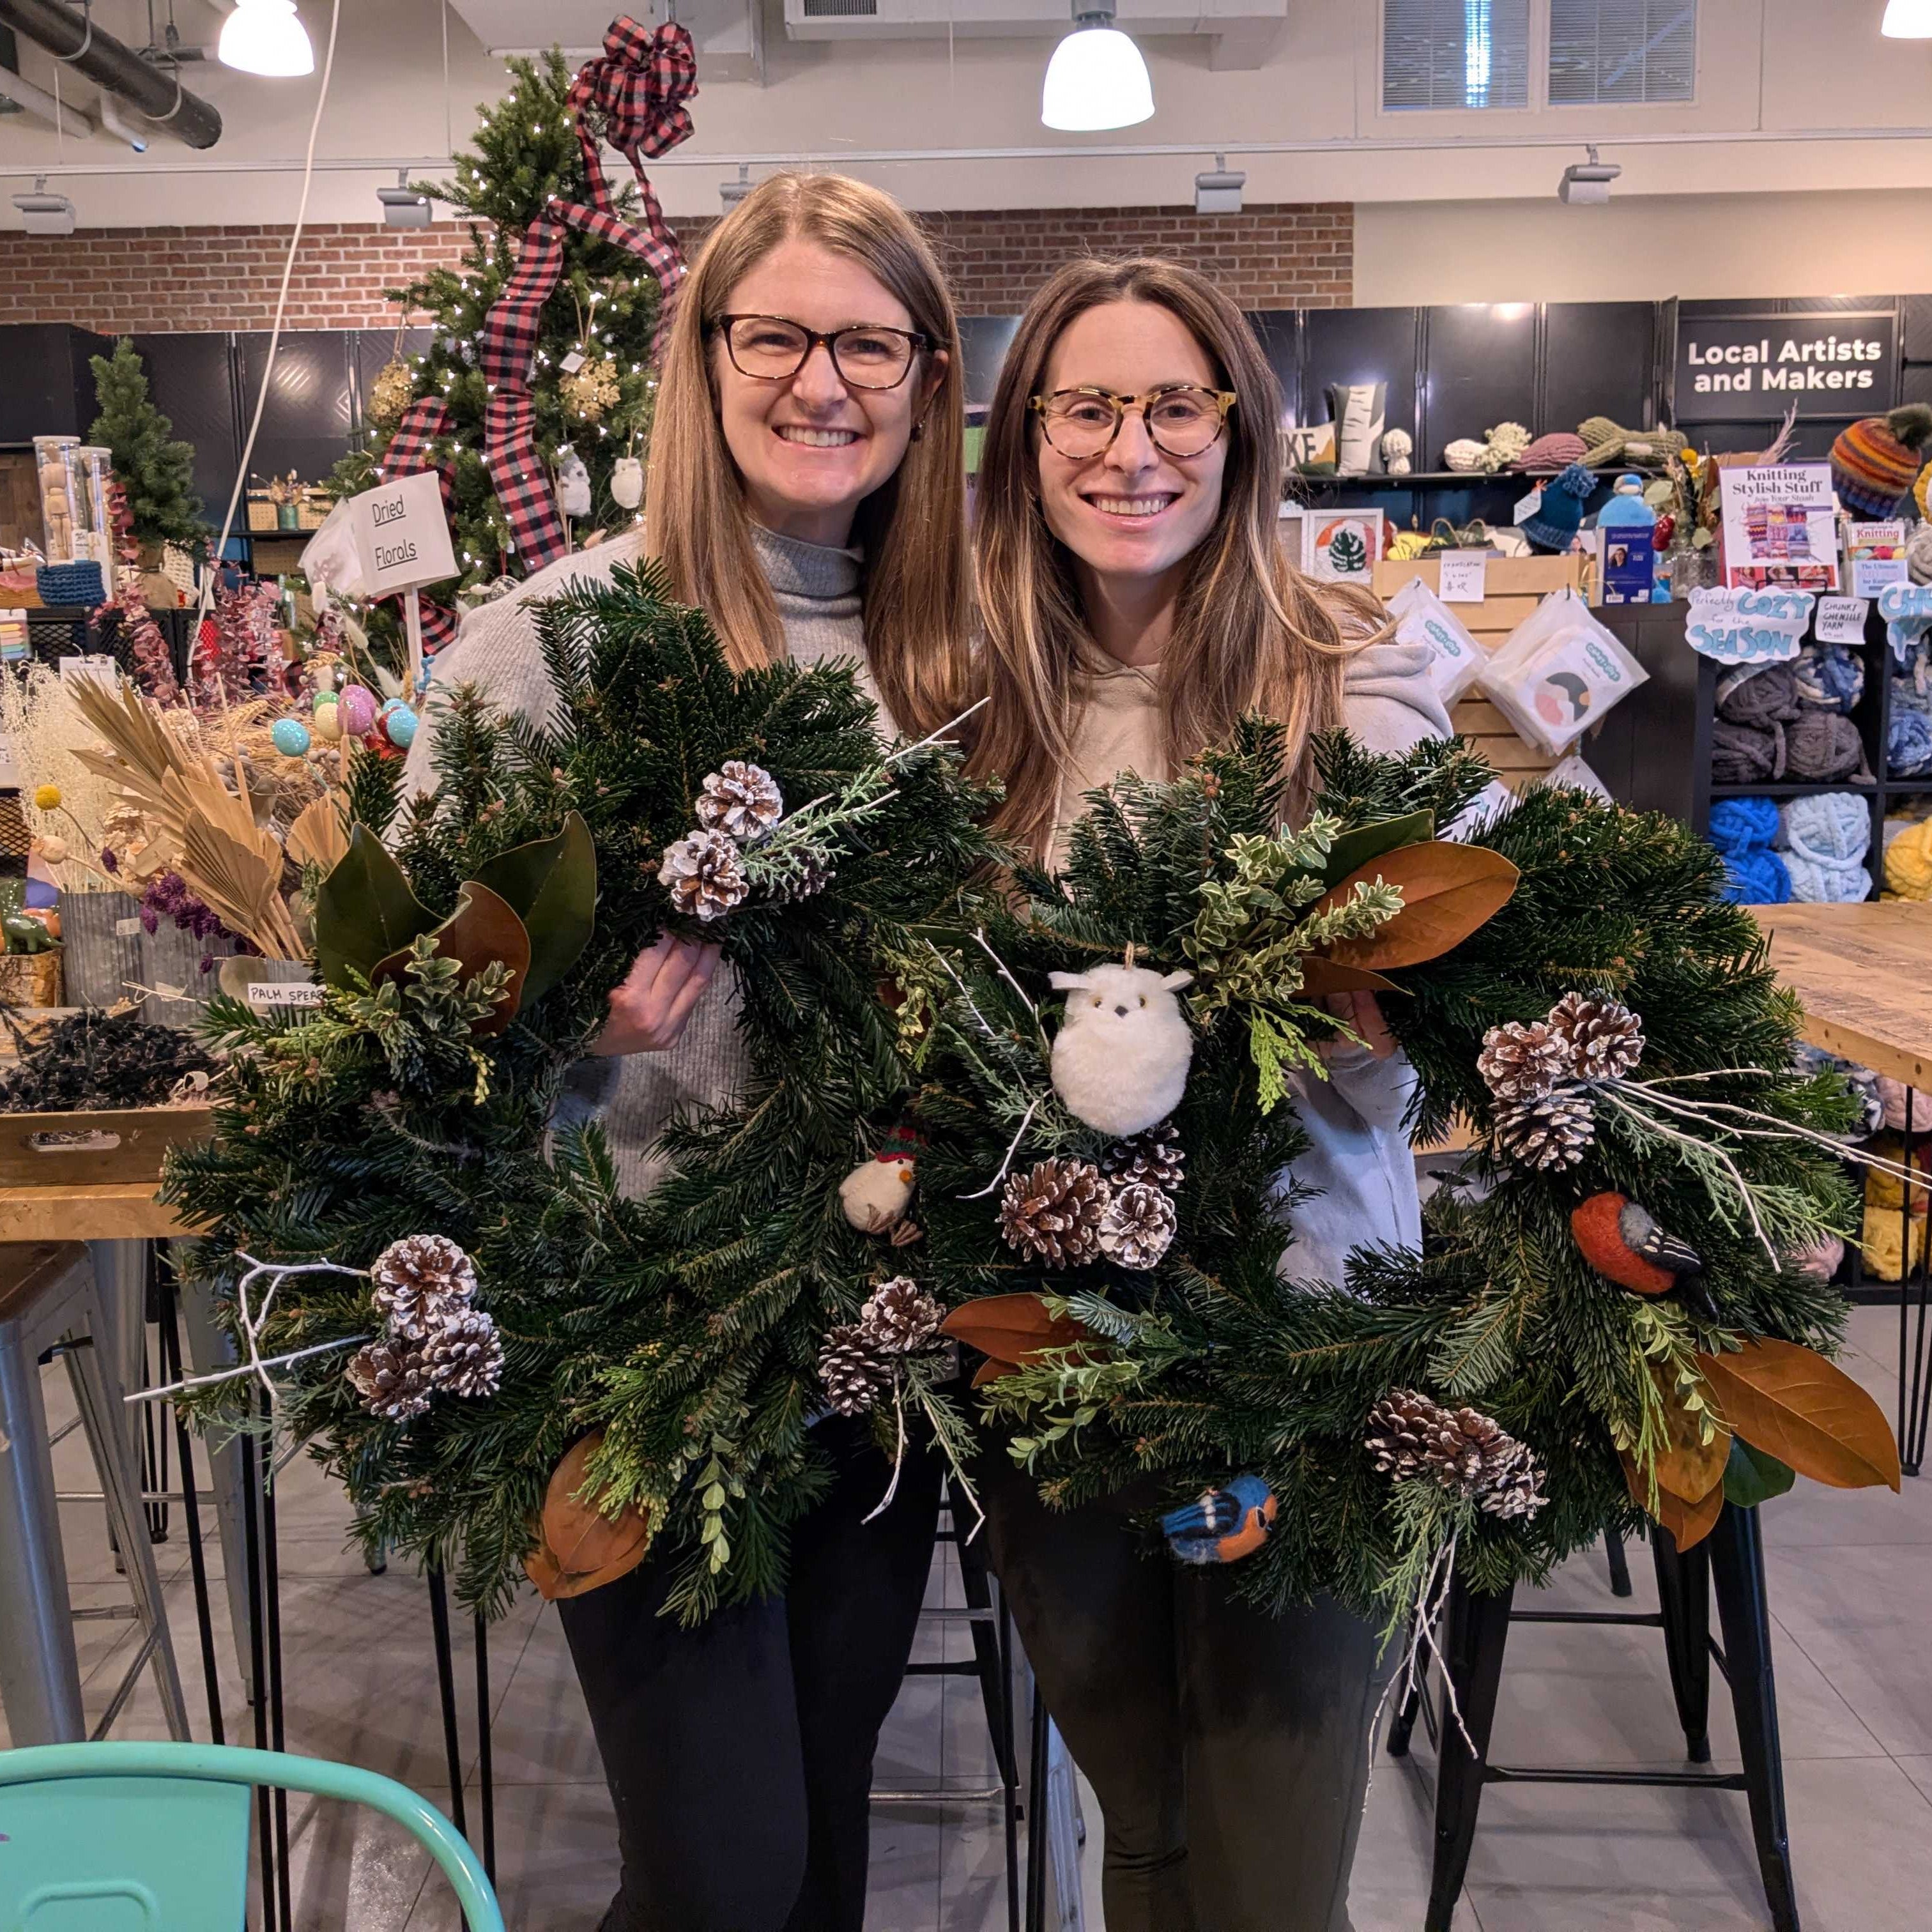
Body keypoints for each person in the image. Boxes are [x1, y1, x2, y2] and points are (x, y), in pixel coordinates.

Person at [402, 171, 969, 1932]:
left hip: (880, 1343)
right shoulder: (550, 644)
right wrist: (560, 1032)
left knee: (813, 1844)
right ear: (703, 359)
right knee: (717, 1872)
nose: (824, 381)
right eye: (779, 334)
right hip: (633, 1351)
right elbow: (401, 1049)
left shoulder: (958, 656)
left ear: (927, 373)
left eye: (868, 340)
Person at [957, 257, 1453, 1932]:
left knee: (1269, 1865)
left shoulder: (1354, 688)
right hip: (1064, 1365)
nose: (1131, 448)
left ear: (1242, 435)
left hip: (1312, 1352)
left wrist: (1384, 1034)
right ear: (1025, 441)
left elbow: (1467, 1023)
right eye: (1084, 407)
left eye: (1178, 403)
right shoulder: (977, 720)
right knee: (1146, 1826)